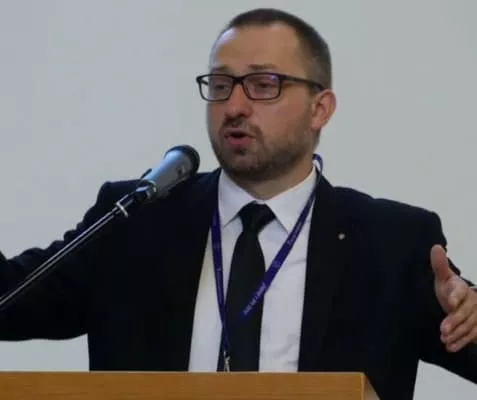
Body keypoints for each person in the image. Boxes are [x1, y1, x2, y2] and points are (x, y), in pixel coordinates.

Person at [0, 7, 476, 400]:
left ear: (320, 109)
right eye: (221, 85)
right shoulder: (135, 221)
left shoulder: (391, 245)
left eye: (264, 84)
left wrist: (472, 320)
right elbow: (10, 299)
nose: (234, 106)